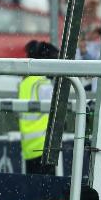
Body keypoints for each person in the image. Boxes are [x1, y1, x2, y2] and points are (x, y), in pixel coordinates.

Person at [19, 40, 58, 175]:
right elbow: (57, 112)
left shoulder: (25, 82)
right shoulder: (43, 83)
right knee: (48, 192)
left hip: (29, 147)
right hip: (44, 146)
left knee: (34, 191)